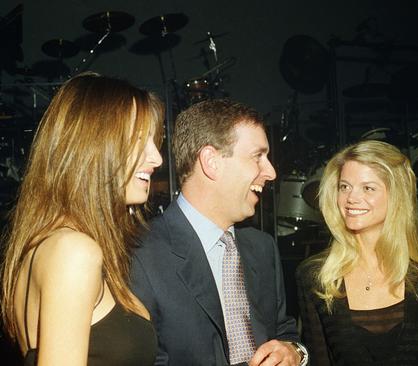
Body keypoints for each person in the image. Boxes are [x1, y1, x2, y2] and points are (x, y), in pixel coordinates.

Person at [0, 72, 163, 365]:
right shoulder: (74, 251)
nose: (156, 158)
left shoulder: (50, 244)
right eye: (140, 139)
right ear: (94, 144)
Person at [130, 99, 307, 366]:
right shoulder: (138, 253)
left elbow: (285, 334)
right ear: (211, 161)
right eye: (257, 156)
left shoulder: (263, 248)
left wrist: (294, 352)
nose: (270, 172)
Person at [296, 140, 418, 365]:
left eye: (368, 188)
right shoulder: (318, 278)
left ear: (397, 196)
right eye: (344, 187)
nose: (351, 198)